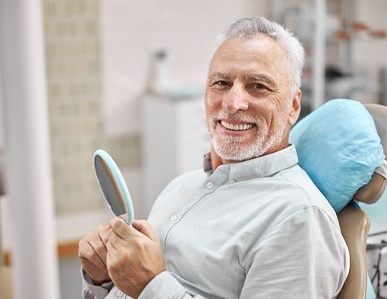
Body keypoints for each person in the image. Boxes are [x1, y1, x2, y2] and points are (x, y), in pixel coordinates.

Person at [78, 16, 350, 298]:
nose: (232, 103)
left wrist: (151, 285)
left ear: (293, 106)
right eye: (221, 83)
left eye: (258, 86)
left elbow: (147, 286)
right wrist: (103, 280)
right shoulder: (181, 187)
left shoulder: (299, 220)